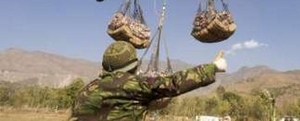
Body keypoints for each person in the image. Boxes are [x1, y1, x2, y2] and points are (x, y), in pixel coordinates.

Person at [69, 41, 227, 121]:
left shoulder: (86, 90)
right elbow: (175, 83)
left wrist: (143, 104)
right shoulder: (134, 84)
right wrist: (213, 67)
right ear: (133, 66)